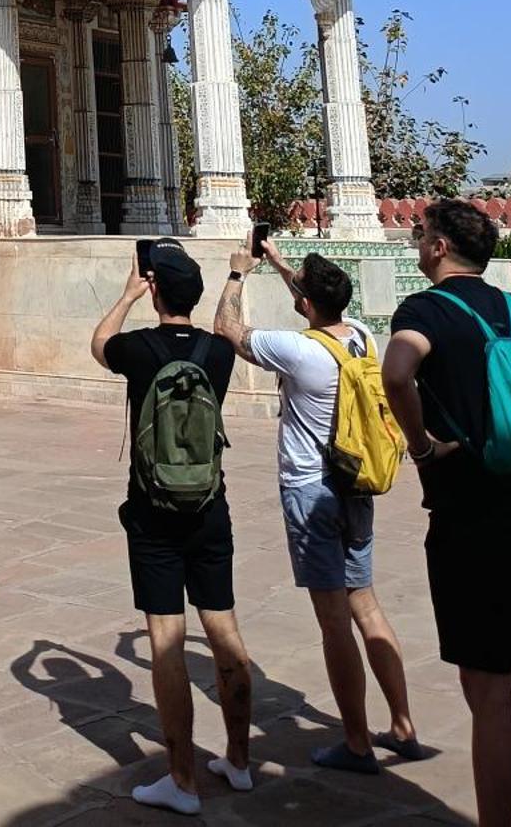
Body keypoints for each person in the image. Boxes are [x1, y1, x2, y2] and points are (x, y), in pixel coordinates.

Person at [214, 237, 429, 774]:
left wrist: (238, 274)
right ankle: (402, 724)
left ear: (305, 305)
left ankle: (356, 742)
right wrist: (284, 266)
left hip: (312, 490)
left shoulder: (297, 349)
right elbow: (318, 304)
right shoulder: (359, 337)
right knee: (367, 605)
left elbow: (227, 329)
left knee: (334, 622)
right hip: (357, 481)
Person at [384, 198, 511, 827]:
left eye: (420, 231)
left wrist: (422, 444)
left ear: (437, 247)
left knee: (488, 691)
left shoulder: (426, 310)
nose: (415, 237)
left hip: (468, 520)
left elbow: (398, 370)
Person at [91, 239, 254, 814]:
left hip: (153, 511)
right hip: (211, 507)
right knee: (225, 633)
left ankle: (182, 779)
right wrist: (240, 277)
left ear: (155, 288)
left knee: (167, 642)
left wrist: (127, 295)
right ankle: (238, 760)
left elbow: (99, 345)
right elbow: (228, 329)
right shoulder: (218, 353)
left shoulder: (138, 348)